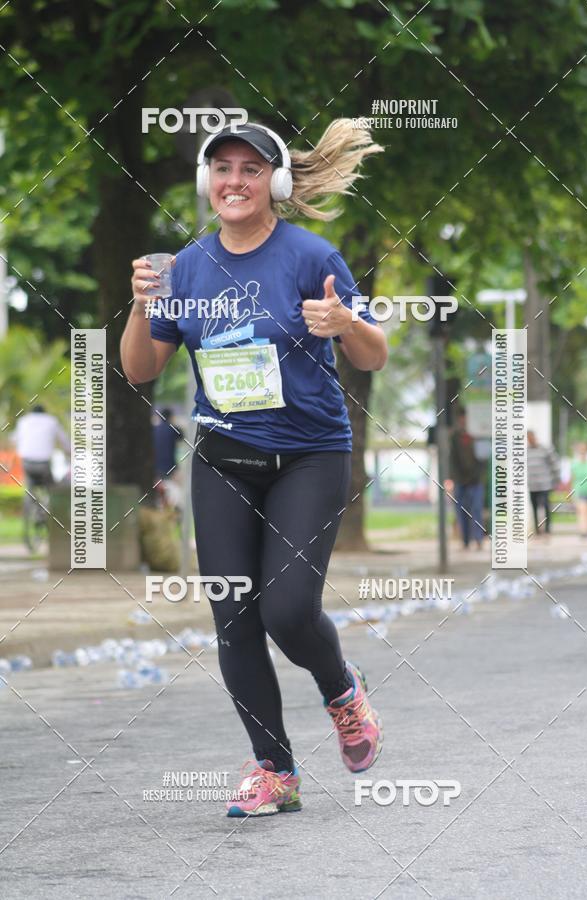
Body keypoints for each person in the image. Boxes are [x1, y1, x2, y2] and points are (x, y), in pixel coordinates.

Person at [121, 119, 388, 817]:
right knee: (234, 618)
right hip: (223, 459)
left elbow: (373, 355)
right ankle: (275, 770)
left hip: (308, 455)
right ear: (209, 181)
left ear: (272, 182)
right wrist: (142, 304)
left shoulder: (309, 255)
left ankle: (342, 692)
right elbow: (140, 368)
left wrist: (344, 325)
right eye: (222, 169)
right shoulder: (187, 266)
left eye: (249, 169)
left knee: (290, 610)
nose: (234, 181)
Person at [449, 408, 485, 548]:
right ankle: (465, 541)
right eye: (462, 418)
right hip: (460, 480)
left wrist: (477, 476)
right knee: (461, 510)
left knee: (476, 509)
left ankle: (478, 539)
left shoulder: (478, 436)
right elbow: (452, 459)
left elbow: (482, 458)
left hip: (475, 480)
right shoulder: (455, 437)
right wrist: (454, 478)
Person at [11, 405, 70, 490]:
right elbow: (64, 440)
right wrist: (70, 451)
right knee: (49, 486)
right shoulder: (52, 421)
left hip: (27, 462)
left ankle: (30, 500)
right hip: (44, 463)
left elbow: (14, 439)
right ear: (44, 412)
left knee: (29, 486)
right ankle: (47, 499)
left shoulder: (23, 421)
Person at [526, 430, 560, 537]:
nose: (530, 439)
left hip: (545, 484)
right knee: (534, 507)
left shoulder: (545, 449)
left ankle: (548, 530)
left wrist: (556, 479)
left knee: (546, 506)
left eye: (531, 436)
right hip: (532, 485)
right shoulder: (526, 451)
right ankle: (537, 531)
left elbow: (554, 463)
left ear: (535, 437)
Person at [570, 442, 587, 537]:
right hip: (579, 491)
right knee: (583, 511)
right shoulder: (574, 465)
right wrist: (572, 493)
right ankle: (583, 531)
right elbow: (572, 480)